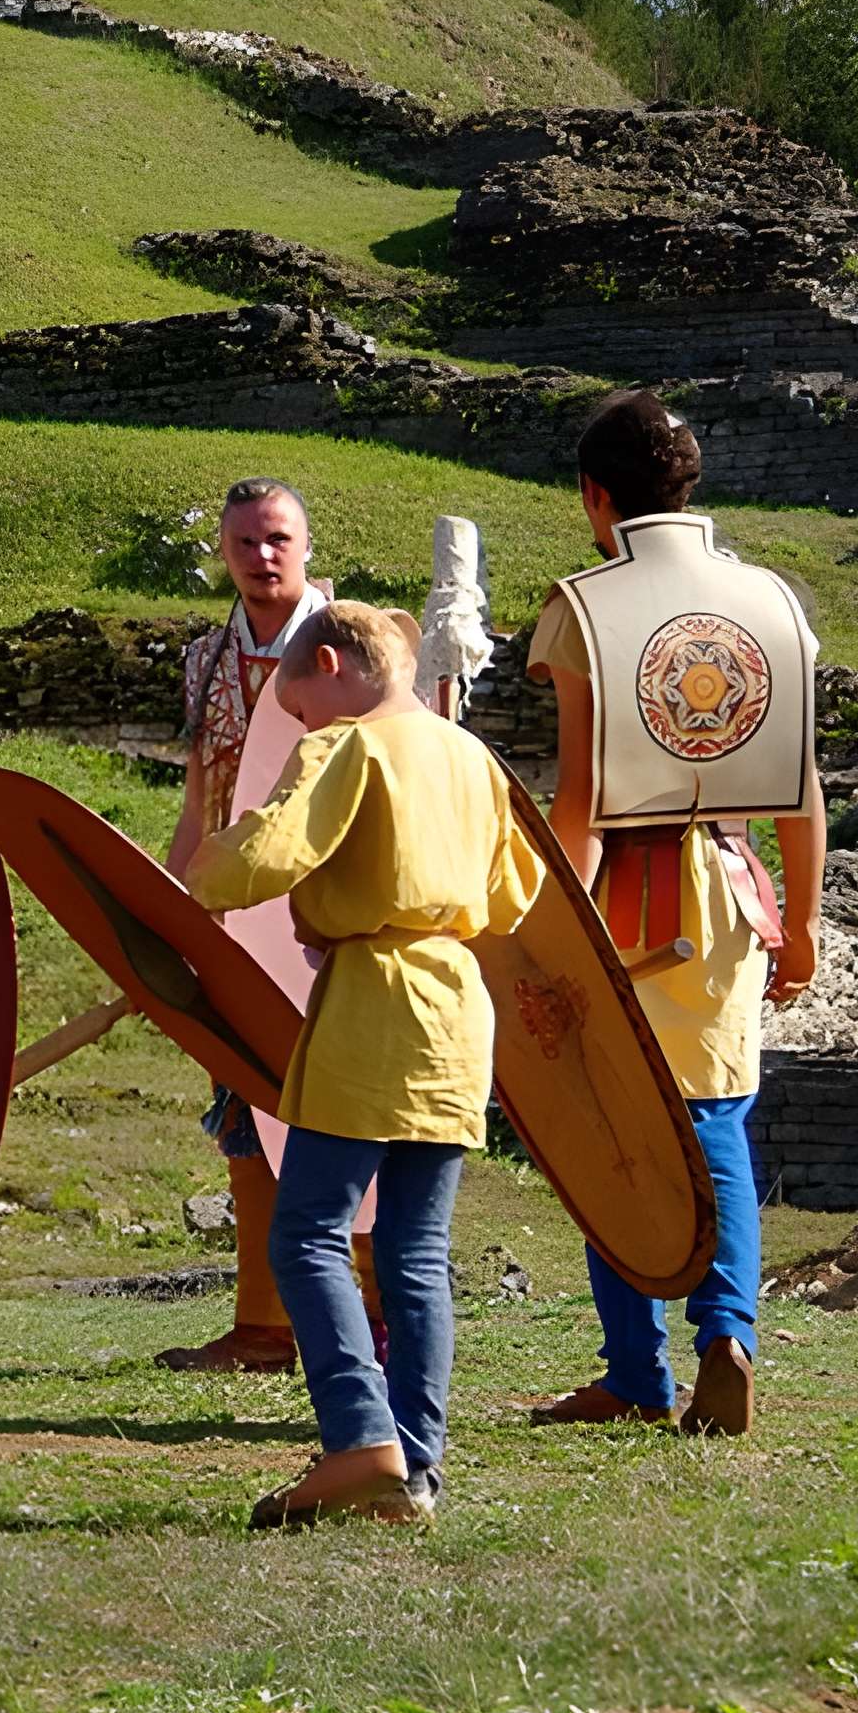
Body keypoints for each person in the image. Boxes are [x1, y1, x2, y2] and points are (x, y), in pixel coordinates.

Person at [185, 604, 545, 1525]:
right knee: (415, 1251)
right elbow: (514, 895)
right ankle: (416, 1472)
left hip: (376, 1000)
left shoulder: (346, 747)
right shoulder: (473, 757)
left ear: (333, 663)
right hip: (459, 1004)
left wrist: (193, 872)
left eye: (301, 706)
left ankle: (357, 1442)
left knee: (308, 1232)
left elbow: (262, 859)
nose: (305, 724)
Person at [524, 392, 825, 1438]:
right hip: (734, 893)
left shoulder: (583, 606)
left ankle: (633, 1370)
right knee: (718, 1124)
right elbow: (802, 787)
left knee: (608, 1125)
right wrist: (806, 921)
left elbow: (578, 797)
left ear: (593, 495)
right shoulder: (770, 600)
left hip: (622, 898)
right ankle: (725, 1334)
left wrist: (547, 932)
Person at [154, 479, 382, 1375]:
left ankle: (370, 1322)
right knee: (245, 1116)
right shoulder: (208, 658)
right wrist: (172, 906)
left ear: (308, 545)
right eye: (245, 542)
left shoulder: (361, 649)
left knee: (350, 1124)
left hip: (335, 926)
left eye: (278, 539)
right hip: (233, 920)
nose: (262, 556)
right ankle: (263, 1325)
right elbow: (201, 796)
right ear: (222, 549)